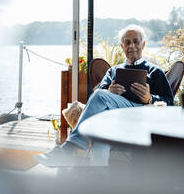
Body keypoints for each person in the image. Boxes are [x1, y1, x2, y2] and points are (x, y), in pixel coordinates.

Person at [34, 24, 174, 167]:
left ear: (143, 44)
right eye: (127, 42)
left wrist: (149, 98)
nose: (132, 46)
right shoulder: (113, 71)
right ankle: (98, 177)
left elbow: (169, 102)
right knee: (101, 132)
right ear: (122, 46)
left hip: (138, 116)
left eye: (136, 41)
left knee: (101, 96)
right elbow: (95, 98)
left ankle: (68, 150)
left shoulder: (155, 71)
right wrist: (110, 92)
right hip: (113, 119)